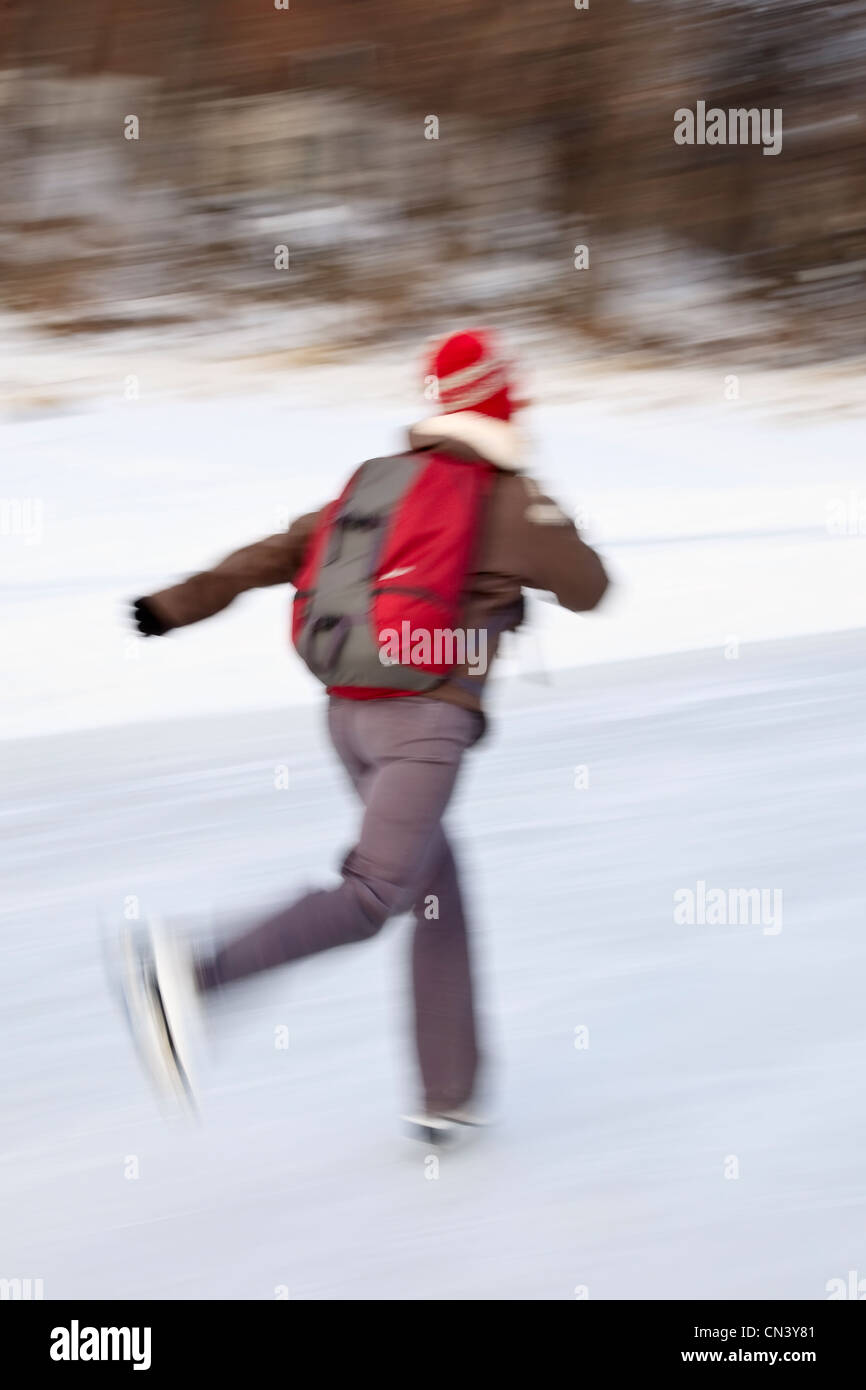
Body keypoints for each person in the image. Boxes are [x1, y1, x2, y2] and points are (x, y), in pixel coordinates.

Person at [125, 328, 609, 1136]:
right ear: (499, 402)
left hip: (347, 715)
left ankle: (447, 1098)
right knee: (375, 894)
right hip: (425, 723)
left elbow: (270, 555)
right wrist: (536, 511)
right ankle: (191, 975)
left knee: (434, 892)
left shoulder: (375, 486)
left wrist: (174, 604)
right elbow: (590, 588)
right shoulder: (506, 495)